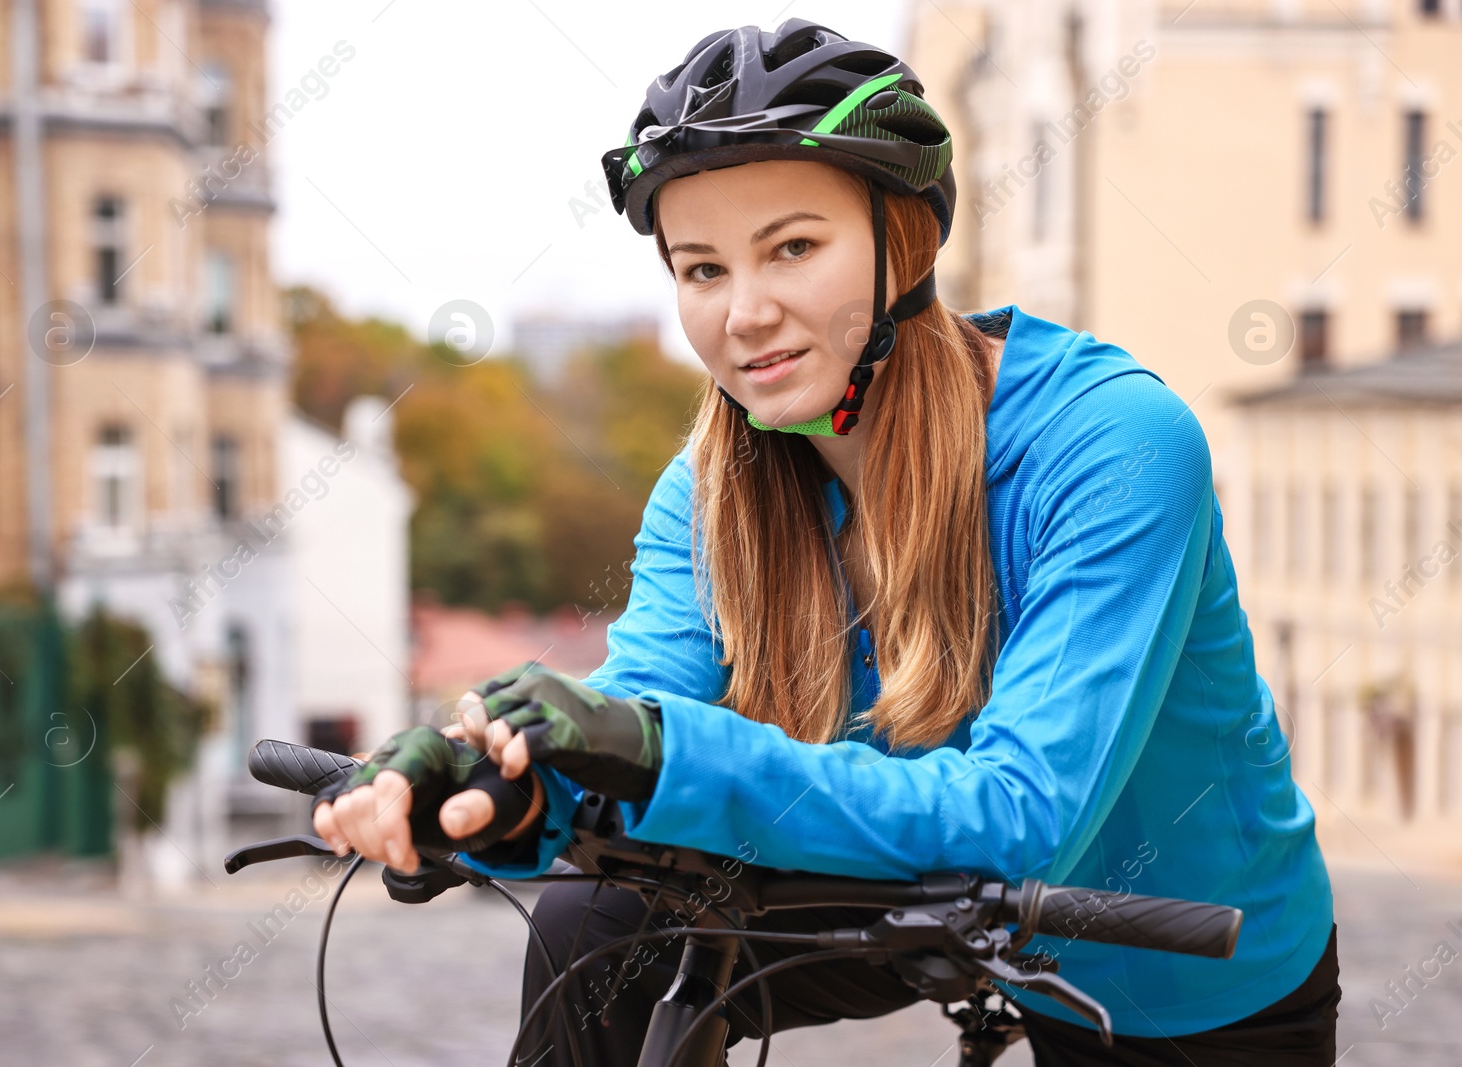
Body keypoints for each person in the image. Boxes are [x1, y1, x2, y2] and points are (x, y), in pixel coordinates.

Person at [312, 18, 1340, 1066]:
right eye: (702, 269)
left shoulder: (1113, 443)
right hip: (913, 866)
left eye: (792, 247)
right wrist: (507, 776)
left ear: (908, 242)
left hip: (1178, 961)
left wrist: (657, 744)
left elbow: (1022, 816)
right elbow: (645, 711)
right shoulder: (711, 490)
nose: (744, 312)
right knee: (599, 923)